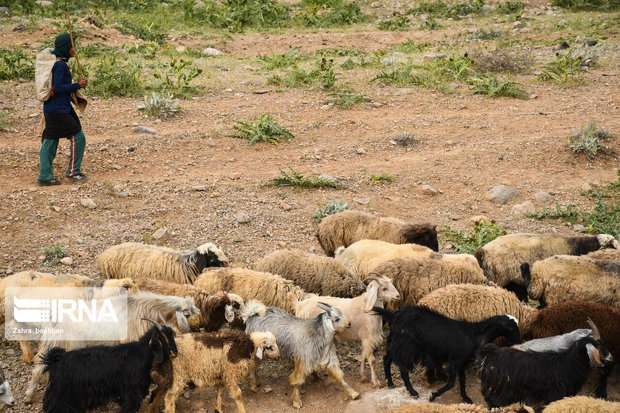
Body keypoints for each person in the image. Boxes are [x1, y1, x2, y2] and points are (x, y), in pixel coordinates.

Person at [37, 32, 89, 186]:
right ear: (67, 48)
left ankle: (45, 177)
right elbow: (58, 88)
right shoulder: (60, 65)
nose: (75, 49)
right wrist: (77, 85)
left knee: (50, 140)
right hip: (58, 110)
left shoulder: (59, 63)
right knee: (78, 137)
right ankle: (73, 172)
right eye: (73, 45)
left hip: (56, 108)